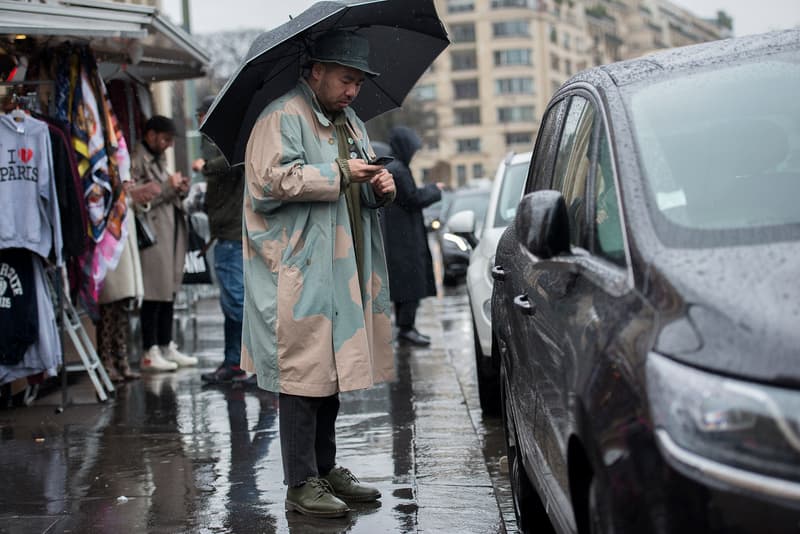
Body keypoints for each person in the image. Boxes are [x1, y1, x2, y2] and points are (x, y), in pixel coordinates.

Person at [241, 30, 396, 518]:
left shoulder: (349, 121)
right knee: (302, 374)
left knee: (330, 372)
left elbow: (360, 177)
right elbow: (269, 181)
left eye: (358, 83)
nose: (353, 91)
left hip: (343, 267)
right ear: (316, 72)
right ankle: (300, 482)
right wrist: (340, 173)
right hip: (300, 268)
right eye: (346, 80)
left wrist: (380, 188)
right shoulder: (281, 116)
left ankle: (325, 469)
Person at [130, 115, 198, 372]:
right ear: (151, 135)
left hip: (168, 233)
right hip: (152, 235)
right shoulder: (137, 159)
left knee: (167, 290)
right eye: (166, 139)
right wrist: (168, 187)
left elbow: (164, 191)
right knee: (153, 293)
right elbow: (139, 198)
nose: (169, 145)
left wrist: (179, 188)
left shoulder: (156, 159)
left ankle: (165, 343)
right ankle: (150, 349)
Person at [192, 96, 250, 385]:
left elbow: (231, 163)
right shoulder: (231, 137)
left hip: (231, 235)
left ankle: (253, 363)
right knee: (232, 303)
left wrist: (205, 166)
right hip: (229, 233)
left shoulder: (230, 141)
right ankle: (234, 362)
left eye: (199, 117)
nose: (198, 124)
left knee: (237, 302)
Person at [381, 126, 444, 347]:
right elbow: (413, 198)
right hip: (404, 241)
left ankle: (406, 328)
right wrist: (434, 190)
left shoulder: (394, 167)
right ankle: (407, 329)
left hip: (401, 238)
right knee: (409, 284)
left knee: (403, 285)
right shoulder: (398, 170)